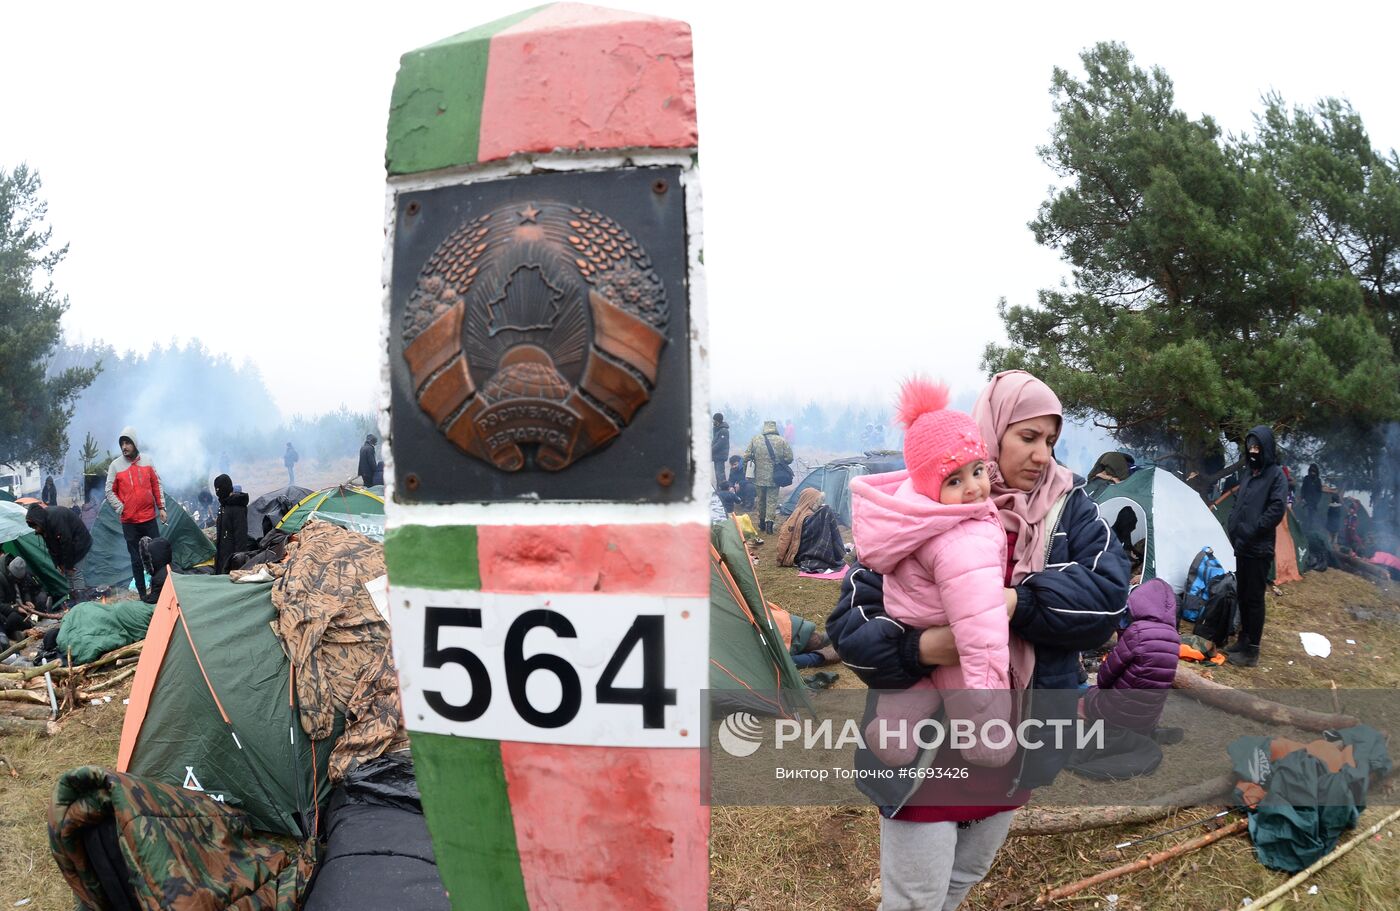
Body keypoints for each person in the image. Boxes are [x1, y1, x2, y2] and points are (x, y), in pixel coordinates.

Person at [827, 369, 1130, 911]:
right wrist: (921, 649)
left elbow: (1107, 600)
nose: (1042, 456)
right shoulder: (921, 504)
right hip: (927, 749)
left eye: (1052, 441)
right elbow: (851, 624)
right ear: (991, 431)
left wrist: (1018, 603)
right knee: (914, 899)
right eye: (1027, 437)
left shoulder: (1070, 509)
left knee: (963, 879)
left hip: (1021, 743)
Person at [849, 379, 1015, 769]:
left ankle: (891, 736)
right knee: (978, 718)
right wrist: (987, 691)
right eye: (954, 480)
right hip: (953, 641)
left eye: (978, 471)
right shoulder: (960, 536)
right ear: (929, 483)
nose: (975, 489)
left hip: (911, 626)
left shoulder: (912, 513)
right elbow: (981, 626)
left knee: (905, 707)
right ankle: (987, 743)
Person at [1083, 578, 1180, 738]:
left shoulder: (1137, 631)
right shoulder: (1174, 637)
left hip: (1115, 715)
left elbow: (1103, 679)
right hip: (1147, 720)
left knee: (1086, 693)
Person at [1224, 426, 1287, 667]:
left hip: (1259, 547)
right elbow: (1241, 502)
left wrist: (1253, 530)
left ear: (1266, 448)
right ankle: (1243, 640)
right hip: (1242, 545)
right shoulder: (1250, 472)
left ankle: (1252, 650)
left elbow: (1276, 509)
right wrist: (1233, 525)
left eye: (1257, 447)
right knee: (1242, 594)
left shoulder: (1276, 475)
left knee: (1254, 598)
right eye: (1250, 447)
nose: (1253, 451)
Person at [105, 427, 167, 601]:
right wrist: (121, 508)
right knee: (136, 560)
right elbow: (109, 491)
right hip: (130, 521)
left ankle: (160, 589)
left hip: (148, 518)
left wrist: (161, 508)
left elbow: (157, 484)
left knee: (157, 554)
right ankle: (142, 594)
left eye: (127, 442)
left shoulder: (147, 461)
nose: (124, 447)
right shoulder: (115, 465)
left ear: (135, 443)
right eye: (122, 443)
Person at [26, 502, 92, 592]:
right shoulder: (44, 524)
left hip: (79, 543)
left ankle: (81, 600)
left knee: (75, 573)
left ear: (38, 520)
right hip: (69, 546)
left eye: (35, 526)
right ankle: (73, 596)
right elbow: (51, 546)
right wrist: (58, 563)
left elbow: (66, 542)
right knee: (67, 574)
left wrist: (69, 566)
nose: (36, 530)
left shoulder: (56, 518)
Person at [743, 420, 793, 535]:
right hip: (775, 477)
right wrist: (780, 462)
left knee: (761, 500)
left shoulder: (755, 439)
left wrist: (748, 470)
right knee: (771, 501)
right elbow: (789, 458)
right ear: (775, 428)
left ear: (764, 427)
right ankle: (769, 525)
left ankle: (761, 523)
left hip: (758, 477)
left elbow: (746, 456)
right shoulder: (782, 441)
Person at [213, 474, 250, 575]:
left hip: (232, 560)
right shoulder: (224, 506)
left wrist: (238, 564)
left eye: (218, 489)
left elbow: (241, 536)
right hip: (222, 556)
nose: (217, 493)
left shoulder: (237, 507)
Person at [711, 413, 730, 489]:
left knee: (720, 475)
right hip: (717, 456)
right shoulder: (718, 430)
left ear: (717, 421)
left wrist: (710, 451)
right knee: (717, 474)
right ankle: (719, 490)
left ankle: (723, 491)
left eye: (714, 420)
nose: (713, 422)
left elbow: (720, 444)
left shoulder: (723, 431)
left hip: (720, 456)